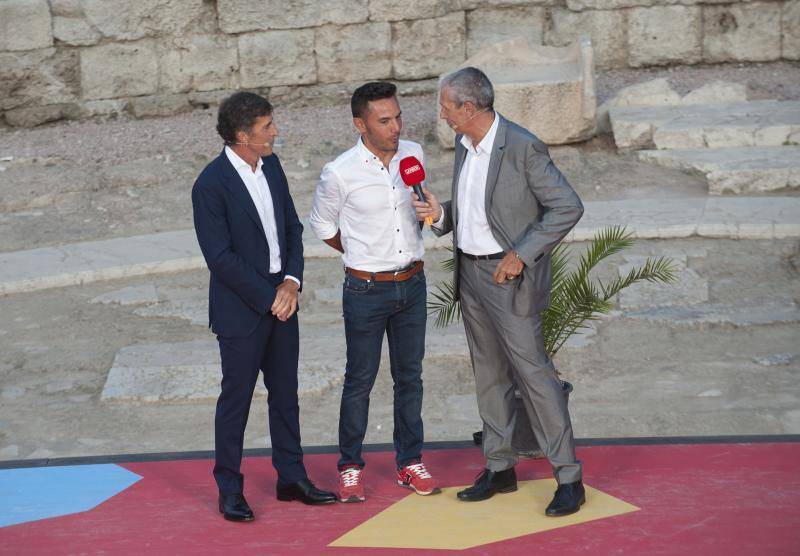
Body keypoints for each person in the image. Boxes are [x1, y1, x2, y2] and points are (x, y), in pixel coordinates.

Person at [413, 67, 586, 516]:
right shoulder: (463, 143)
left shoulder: (523, 146)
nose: (442, 113)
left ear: (468, 108)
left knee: (535, 376)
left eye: (446, 105)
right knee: (487, 374)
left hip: (508, 281)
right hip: (470, 276)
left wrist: (521, 255)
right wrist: (442, 215)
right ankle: (500, 467)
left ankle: (568, 477)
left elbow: (567, 205)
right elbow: (477, 206)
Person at [192, 92, 335, 522]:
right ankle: (229, 488)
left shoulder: (271, 164)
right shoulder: (210, 185)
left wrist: (291, 282)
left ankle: (290, 477)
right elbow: (220, 258)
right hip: (243, 309)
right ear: (242, 135)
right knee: (235, 399)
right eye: (267, 126)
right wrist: (270, 296)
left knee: (286, 394)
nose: (275, 132)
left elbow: (291, 226)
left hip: (282, 300)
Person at [309, 82, 439, 503]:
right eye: (385, 120)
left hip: (413, 284)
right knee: (359, 381)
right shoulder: (340, 171)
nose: (396, 126)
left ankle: (410, 462)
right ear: (359, 124)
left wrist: (430, 215)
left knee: (411, 379)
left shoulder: (414, 155)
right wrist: (361, 254)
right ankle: (349, 467)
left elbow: (420, 212)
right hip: (365, 290)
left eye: (398, 116)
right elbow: (323, 226)